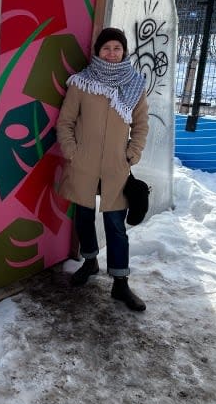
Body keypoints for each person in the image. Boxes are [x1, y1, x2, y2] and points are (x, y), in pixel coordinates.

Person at [55, 27, 149, 311]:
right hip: (84, 166)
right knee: (83, 217)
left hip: (116, 168)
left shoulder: (134, 85)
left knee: (115, 226)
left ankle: (120, 283)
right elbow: (65, 122)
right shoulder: (82, 83)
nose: (112, 53)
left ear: (124, 52)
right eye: (107, 48)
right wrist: (74, 153)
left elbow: (141, 125)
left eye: (117, 48)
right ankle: (90, 261)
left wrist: (131, 155)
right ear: (98, 51)